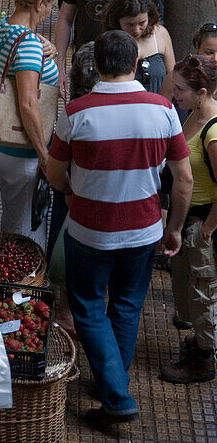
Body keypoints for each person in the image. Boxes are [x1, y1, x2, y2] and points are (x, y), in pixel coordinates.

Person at [46, 30, 192, 431]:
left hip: (89, 232)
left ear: (96, 67)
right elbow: (183, 180)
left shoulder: (76, 113)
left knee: (89, 306)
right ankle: (113, 384)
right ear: (134, 66)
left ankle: (115, 394)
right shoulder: (163, 110)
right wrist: (174, 228)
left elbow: (55, 175)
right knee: (127, 305)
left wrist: (75, 192)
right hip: (145, 232)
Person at [0, 0, 63, 247]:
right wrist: (45, 155)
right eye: (50, 6)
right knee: (23, 229)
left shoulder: (4, 27)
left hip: (1, 141)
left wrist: (50, 50)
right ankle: (18, 284)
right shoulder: (29, 44)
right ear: (39, 3)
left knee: (15, 214)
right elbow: (29, 104)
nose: (49, 13)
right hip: (23, 148)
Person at [162, 55, 217, 384]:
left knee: (203, 291)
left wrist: (206, 230)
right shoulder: (194, 115)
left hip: (202, 221)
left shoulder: (213, 132)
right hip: (189, 220)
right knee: (190, 289)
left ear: (203, 91)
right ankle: (198, 342)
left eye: (180, 89)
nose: (174, 93)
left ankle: (204, 360)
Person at [102, 0, 175, 96]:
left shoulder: (160, 34)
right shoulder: (109, 41)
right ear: (117, 21)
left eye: (142, 23)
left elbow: (172, 76)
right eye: (130, 24)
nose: (136, 30)